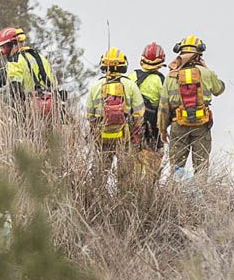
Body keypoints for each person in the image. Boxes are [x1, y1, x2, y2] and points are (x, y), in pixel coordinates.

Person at [160, 35, 226, 180]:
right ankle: (201, 193)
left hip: (178, 125)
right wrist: (206, 69)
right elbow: (219, 89)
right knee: (201, 167)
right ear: (199, 54)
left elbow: (164, 105)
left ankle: (176, 192)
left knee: (177, 167)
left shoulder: (171, 76)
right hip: (201, 125)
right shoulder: (206, 73)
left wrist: (163, 129)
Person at [82, 47, 144, 169]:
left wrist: (95, 129)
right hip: (124, 136)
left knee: (100, 171)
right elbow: (139, 114)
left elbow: (89, 115)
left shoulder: (96, 86)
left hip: (102, 136)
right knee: (124, 172)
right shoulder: (131, 85)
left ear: (104, 66)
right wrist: (133, 131)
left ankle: (98, 182)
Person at [129, 42, 169, 181]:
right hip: (153, 127)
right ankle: (148, 187)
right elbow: (165, 106)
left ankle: (133, 185)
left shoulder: (132, 76)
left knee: (133, 159)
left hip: (133, 125)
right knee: (153, 161)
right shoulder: (160, 80)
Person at [0, 26, 57, 115]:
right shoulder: (40, 57)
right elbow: (52, 82)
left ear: (12, 44)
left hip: (32, 109)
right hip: (52, 105)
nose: (3, 53)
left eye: (3, 48)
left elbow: (15, 91)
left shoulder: (14, 61)